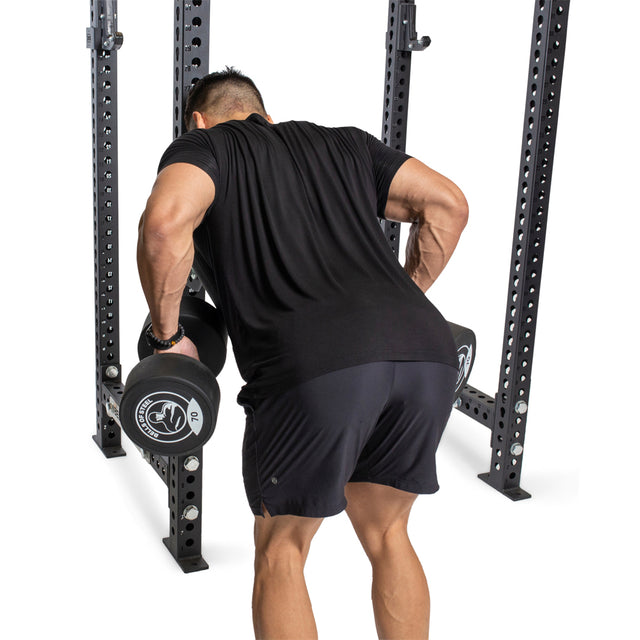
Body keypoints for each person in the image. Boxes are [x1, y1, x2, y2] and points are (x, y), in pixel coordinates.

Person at [137, 67, 468, 639]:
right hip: (427, 353)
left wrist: (170, 340)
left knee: (283, 550)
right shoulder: (346, 143)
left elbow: (165, 226)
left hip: (313, 370)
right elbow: (449, 206)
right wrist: (396, 307)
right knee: (390, 536)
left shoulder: (205, 145)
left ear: (199, 117)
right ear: (265, 111)